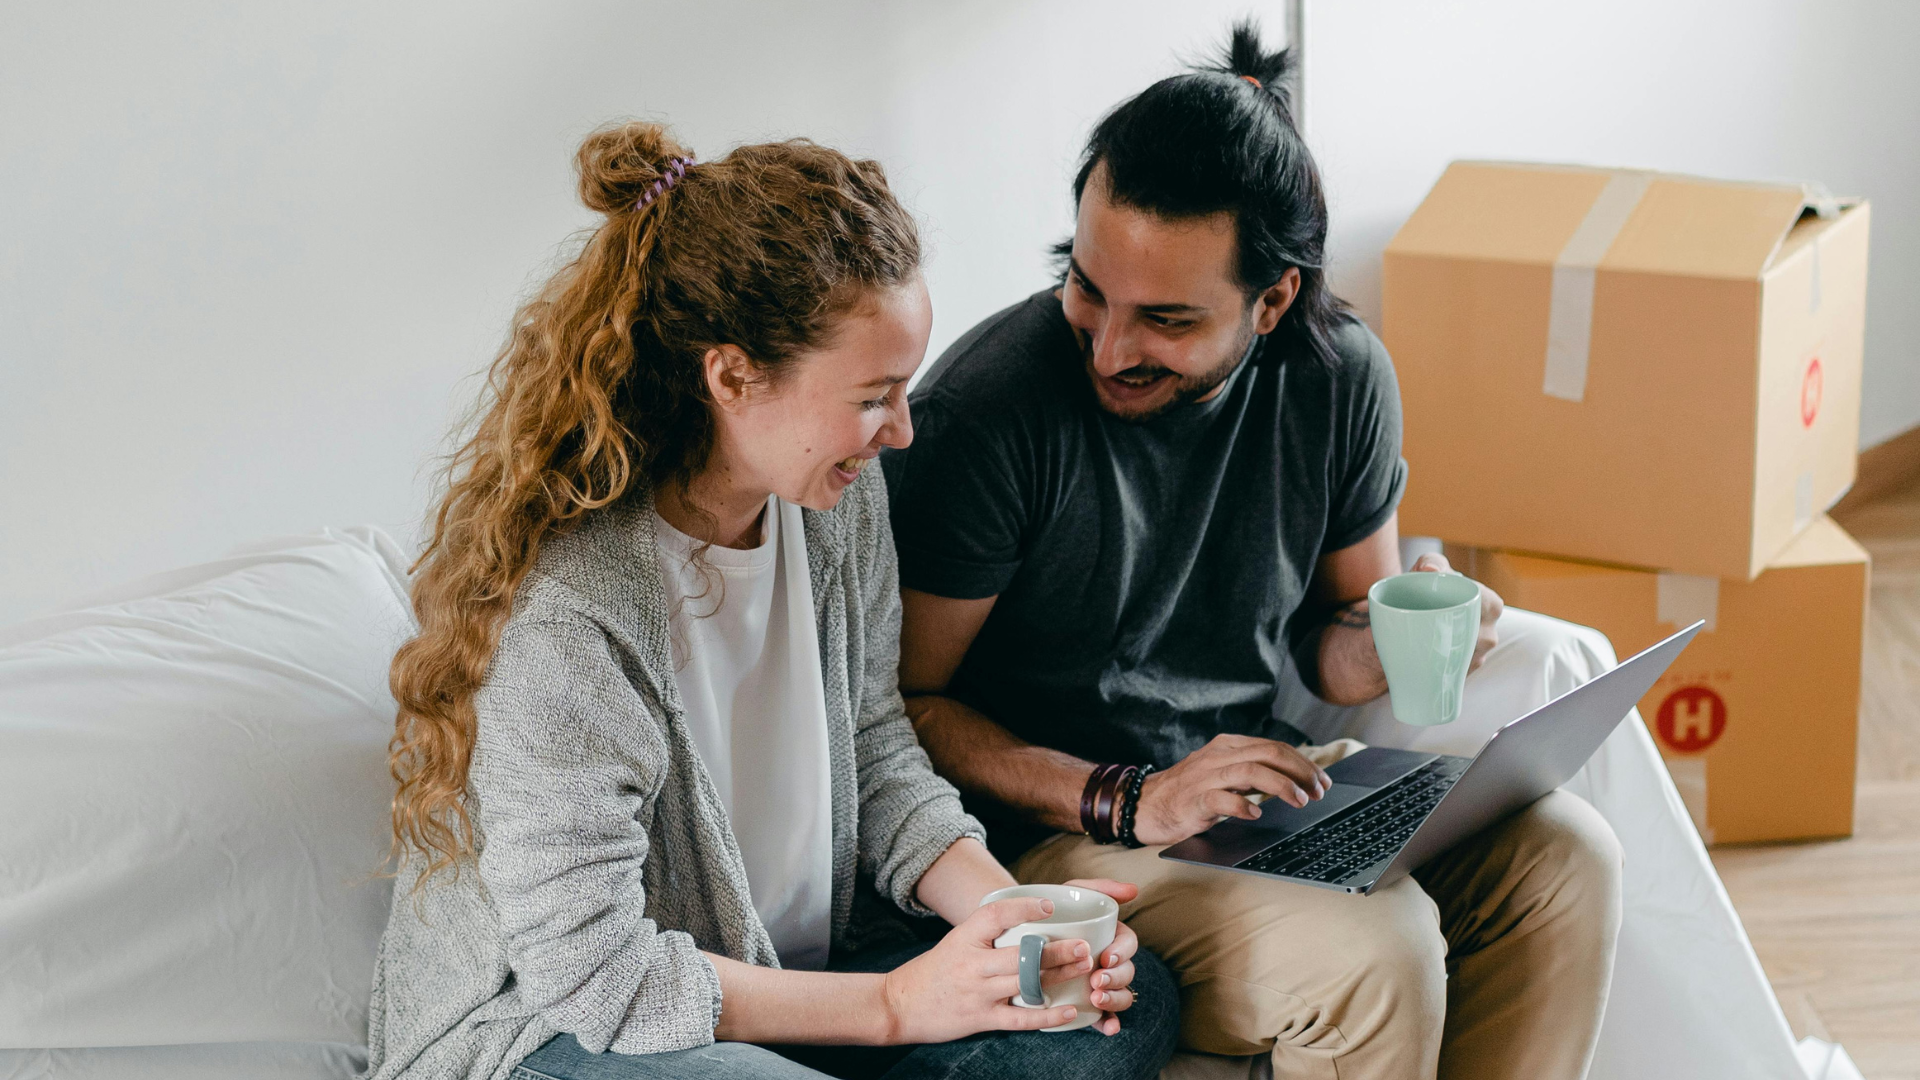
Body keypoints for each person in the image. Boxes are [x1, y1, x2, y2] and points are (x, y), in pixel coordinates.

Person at [881, 22, 1624, 1080]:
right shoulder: (990, 414)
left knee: (1567, 859)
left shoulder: (1339, 378)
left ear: (1272, 300)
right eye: (1086, 285)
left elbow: (1336, 637)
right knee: (1381, 951)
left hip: (1249, 791)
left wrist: (1386, 640)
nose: (1107, 346)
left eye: (1166, 318)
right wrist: (1133, 796)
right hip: (1056, 833)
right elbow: (904, 709)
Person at [362, 121, 1178, 1080]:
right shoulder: (566, 614)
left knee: (1114, 1008)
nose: (904, 431)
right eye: (875, 395)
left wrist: (1016, 922)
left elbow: (873, 746)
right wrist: (893, 1006)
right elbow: (594, 975)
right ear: (734, 376)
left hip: (786, 981)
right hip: (557, 1032)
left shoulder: (836, 502)